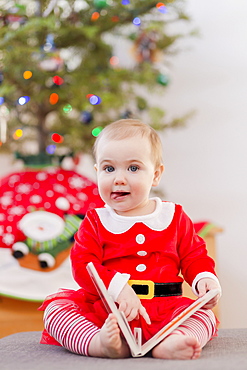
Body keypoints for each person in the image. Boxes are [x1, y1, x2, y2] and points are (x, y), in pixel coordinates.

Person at [39, 119, 221, 360]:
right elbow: (83, 265)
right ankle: (98, 343)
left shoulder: (173, 216)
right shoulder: (95, 221)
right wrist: (117, 288)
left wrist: (204, 279)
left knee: (204, 316)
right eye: (109, 169)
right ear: (97, 172)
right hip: (109, 312)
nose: (119, 179)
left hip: (165, 311)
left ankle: (171, 342)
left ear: (155, 175)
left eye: (133, 168)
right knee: (56, 310)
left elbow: (194, 255)